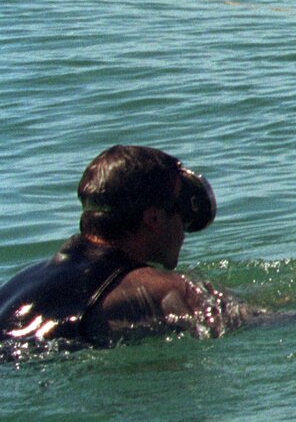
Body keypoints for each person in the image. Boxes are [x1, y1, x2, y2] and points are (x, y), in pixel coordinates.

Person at [1, 145, 238, 352]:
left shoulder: (21, 283)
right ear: (153, 219)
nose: (184, 228)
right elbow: (252, 321)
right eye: (182, 212)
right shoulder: (161, 288)